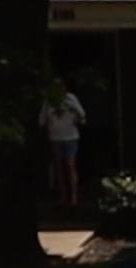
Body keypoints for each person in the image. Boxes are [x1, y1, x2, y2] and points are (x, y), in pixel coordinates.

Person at [39, 78, 87, 207]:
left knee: (70, 164)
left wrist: (73, 111)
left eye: (61, 86)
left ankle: (74, 195)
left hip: (71, 137)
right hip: (56, 138)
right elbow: (42, 120)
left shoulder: (70, 99)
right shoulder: (49, 101)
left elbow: (82, 115)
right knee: (59, 167)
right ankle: (63, 194)